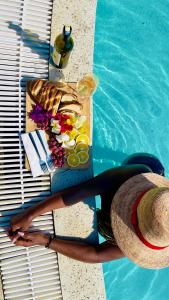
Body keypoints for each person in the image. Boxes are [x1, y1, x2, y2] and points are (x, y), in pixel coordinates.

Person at [9, 154, 168, 269]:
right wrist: (30, 214)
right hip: (139, 173)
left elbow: (97, 254)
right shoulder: (134, 174)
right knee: (140, 163)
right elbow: (79, 191)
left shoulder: (150, 237)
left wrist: (45, 240)